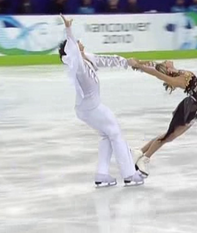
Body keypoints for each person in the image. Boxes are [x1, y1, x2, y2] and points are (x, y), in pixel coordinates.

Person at [58, 14, 144, 187]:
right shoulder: (79, 67)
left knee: (107, 135)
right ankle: (129, 174)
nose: (80, 44)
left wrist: (126, 62)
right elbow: (72, 46)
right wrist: (68, 29)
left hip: (87, 108)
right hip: (92, 108)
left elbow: (106, 60)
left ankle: (102, 174)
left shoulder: (87, 58)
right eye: (77, 44)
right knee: (116, 133)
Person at [128, 60, 197, 177]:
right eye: (166, 68)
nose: (168, 65)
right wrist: (138, 66)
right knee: (167, 136)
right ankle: (144, 159)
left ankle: (139, 152)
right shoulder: (175, 79)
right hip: (189, 109)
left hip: (195, 108)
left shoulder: (177, 71)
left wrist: (141, 62)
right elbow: (155, 72)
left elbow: (167, 62)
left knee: (169, 136)